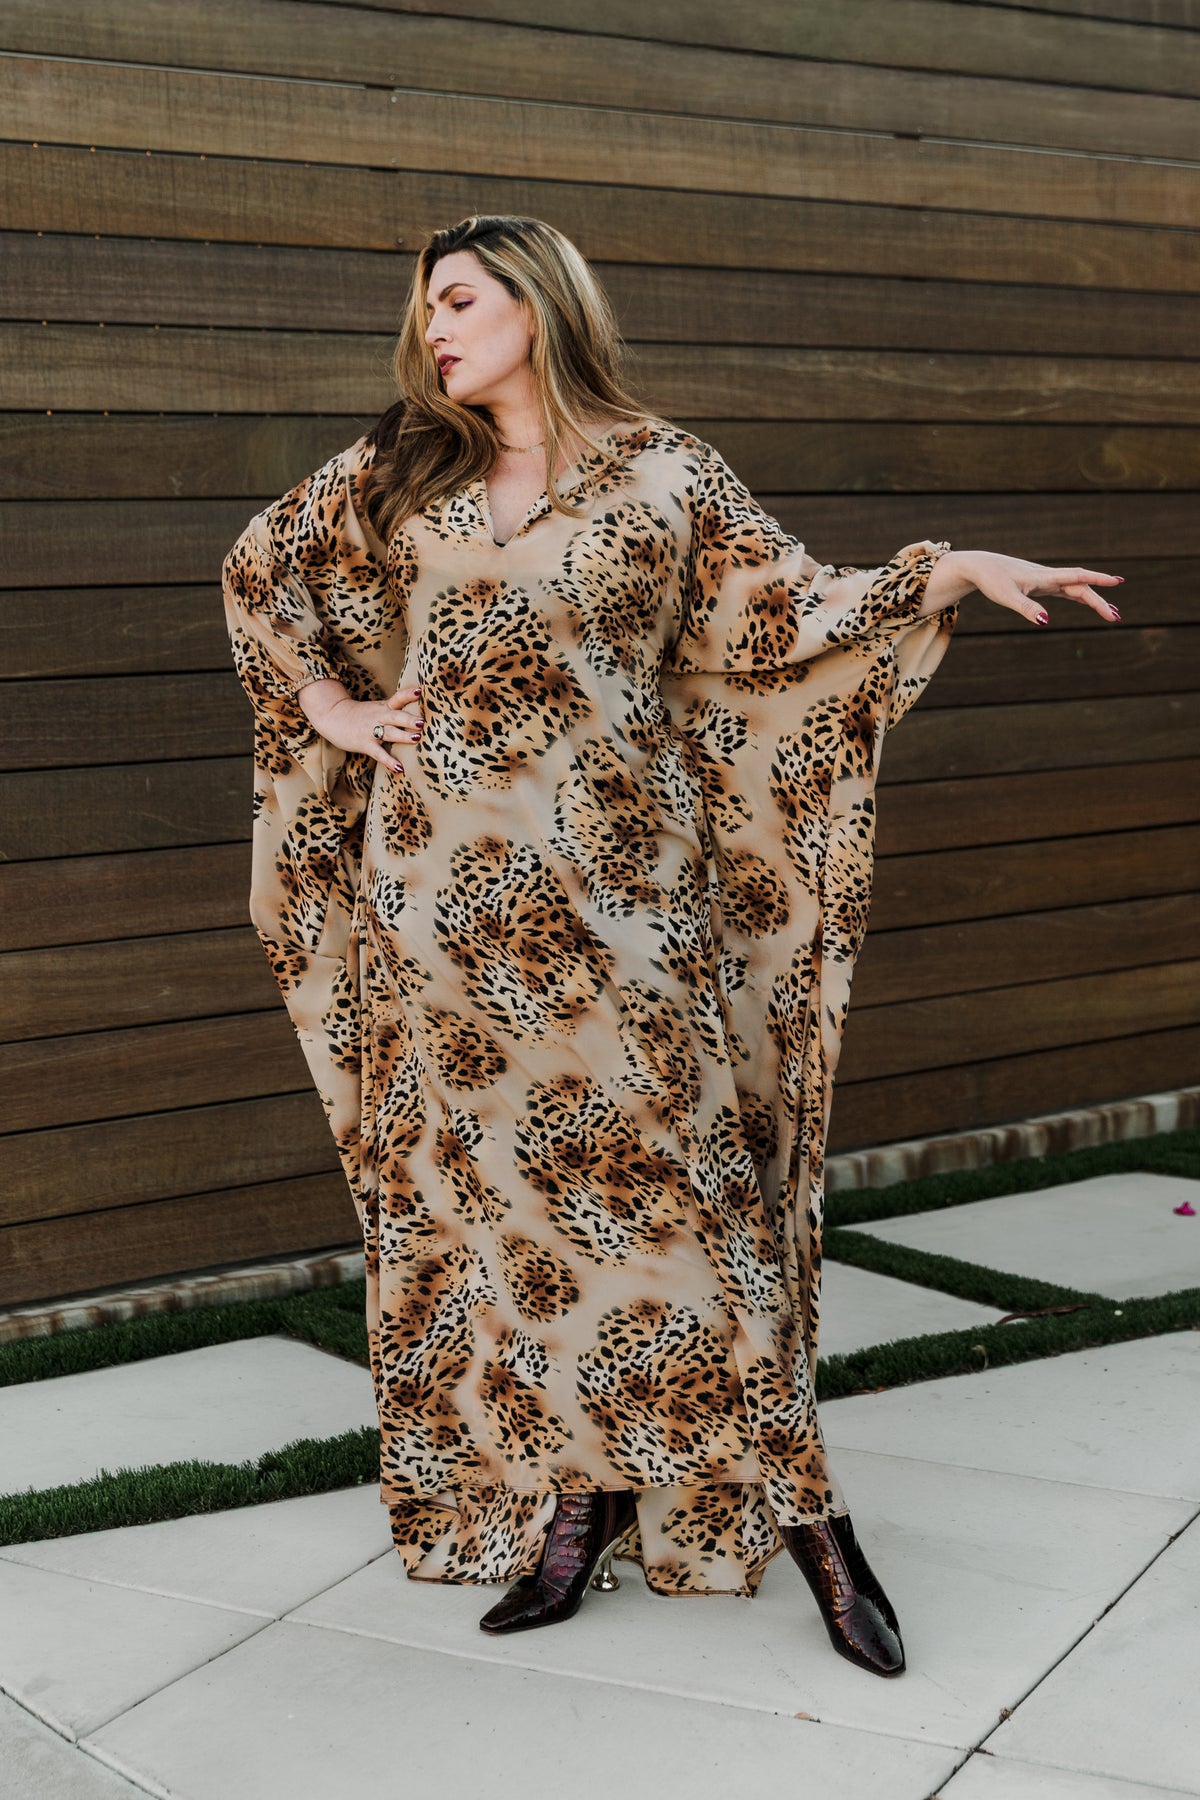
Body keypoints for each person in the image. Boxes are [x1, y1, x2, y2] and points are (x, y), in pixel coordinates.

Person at [222, 214, 1122, 1678]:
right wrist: (330, 707)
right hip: (437, 909)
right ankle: (581, 1506)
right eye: (425, 307)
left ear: (539, 303)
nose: (432, 329)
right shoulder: (402, 470)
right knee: (524, 1225)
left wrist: (943, 573)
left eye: (460, 301)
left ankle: (815, 1526)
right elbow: (262, 577)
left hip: (625, 907)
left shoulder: (665, 473)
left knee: (705, 1213)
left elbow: (782, 620)